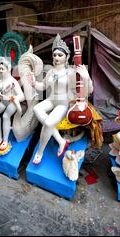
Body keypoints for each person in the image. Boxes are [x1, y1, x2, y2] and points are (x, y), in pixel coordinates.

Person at [29, 34, 93, 165]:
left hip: (64, 103)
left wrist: (86, 78)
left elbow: (89, 91)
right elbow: (42, 86)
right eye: (55, 55)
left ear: (66, 57)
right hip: (52, 99)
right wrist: (34, 82)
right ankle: (61, 141)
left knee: (47, 124)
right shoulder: (51, 71)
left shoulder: (70, 72)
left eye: (60, 55)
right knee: (36, 109)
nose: (57, 57)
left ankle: (39, 152)